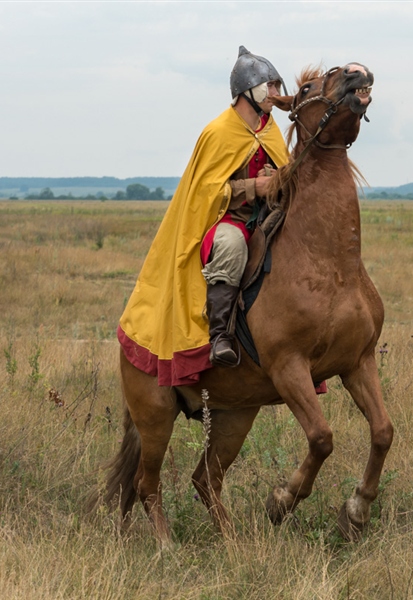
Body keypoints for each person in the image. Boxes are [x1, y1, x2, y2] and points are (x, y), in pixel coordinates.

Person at [117, 46, 290, 386]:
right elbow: (206, 193)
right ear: (248, 91)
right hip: (226, 221)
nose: (276, 94)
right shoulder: (219, 132)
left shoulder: (272, 131)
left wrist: (280, 178)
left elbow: (285, 175)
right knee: (230, 246)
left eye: (276, 86)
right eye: (269, 86)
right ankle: (220, 335)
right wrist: (254, 186)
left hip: (267, 220)